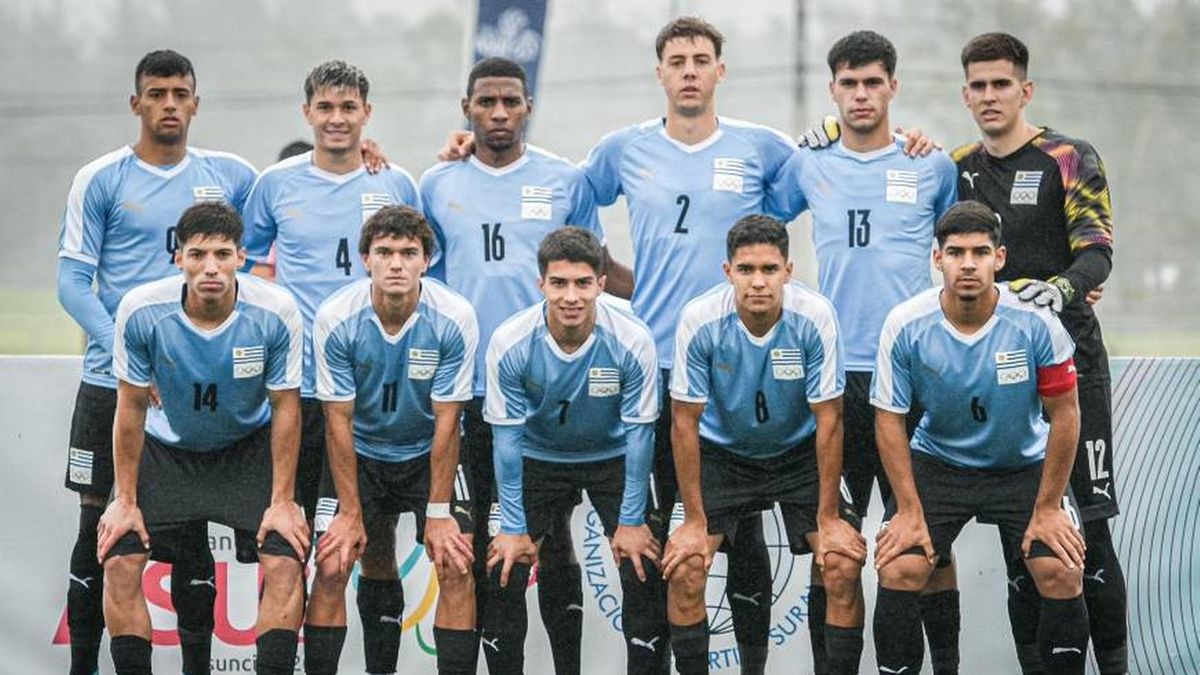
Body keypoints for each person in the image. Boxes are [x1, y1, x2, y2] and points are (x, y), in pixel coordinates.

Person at [55, 49, 258, 675]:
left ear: (196, 102)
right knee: (103, 525)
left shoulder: (231, 176)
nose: (169, 104)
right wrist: (135, 361)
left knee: (195, 529)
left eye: (180, 93)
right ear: (136, 102)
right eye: (156, 93)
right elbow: (72, 283)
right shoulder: (102, 178)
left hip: (198, 386)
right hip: (111, 385)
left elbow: (287, 216)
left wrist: (366, 157)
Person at [419, 56, 618, 674]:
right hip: (470, 393)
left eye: (511, 102)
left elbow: (593, 276)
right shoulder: (436, 183)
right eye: (487, 103)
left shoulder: (566, 181)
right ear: (467, 109)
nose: (499, 113)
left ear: (529, 106)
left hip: (550, 390)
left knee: (553, 541)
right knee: (489, 548)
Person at [779, 30, 961, 673]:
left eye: (872, 82)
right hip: (834, 381)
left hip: (911, 376)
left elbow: (960, 242)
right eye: (849, 84)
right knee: (833, 547)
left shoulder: (931, 165)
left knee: (924, 541)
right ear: (834, 90)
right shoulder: (810, 164)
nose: (861, 94)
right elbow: (764, 218)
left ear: (893, 86)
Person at [951, 33, 1125, 674]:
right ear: (965, 94)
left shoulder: (1068, 156)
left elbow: (1097, 251)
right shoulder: (956, 166)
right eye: (978, 85)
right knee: (1020, 538)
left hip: (1073, 367)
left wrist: (1060, 288)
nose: (990, 96)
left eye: (1002, 84)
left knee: (1091, 533)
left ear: (1025, 90)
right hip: (1000, 377)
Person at [870, 200, 1090, 675]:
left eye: (980, 252)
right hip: (940, 463)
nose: (967, 264)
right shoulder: (905, 324)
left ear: (1000, 258)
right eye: (955, 253)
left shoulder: (1036, 321)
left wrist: (1049, 507)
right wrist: (908, 511)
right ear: (937, 259)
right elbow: (889, 420)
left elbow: (1065, 414)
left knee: (1061, 570)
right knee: (900, 568)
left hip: (1024, 466)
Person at [95, 202, 308, 675]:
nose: (210, 267)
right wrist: (125, 498)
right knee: (119, 561)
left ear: (241, 257)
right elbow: (129, 408)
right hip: (166, 451)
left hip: (245, 450)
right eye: (197, 255)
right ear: (179, 259)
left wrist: (283, 500)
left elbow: (286, 407)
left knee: (286, 561)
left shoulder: (276, 310)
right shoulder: (142, 310)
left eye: (222, 254)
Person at [662, 215, 865, 675]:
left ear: (789, 271)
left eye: (769, 270)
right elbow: (683, 422)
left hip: (799, 456)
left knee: (841, 563)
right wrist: (694, 520)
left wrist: (829, 518)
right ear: (727, 271)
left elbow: (830, 419)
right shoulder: (699, 319)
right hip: (723, 456)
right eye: (747, 270)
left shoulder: (815, 316)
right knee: (686, 566)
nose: (758, 282)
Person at [242, 60, 422, 543]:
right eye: (325, 107)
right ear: (307, 112)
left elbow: (426, 269)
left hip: (376, 377)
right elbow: (243, 264)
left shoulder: (395, 184)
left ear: (367, 112)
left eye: (348, 107)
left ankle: (373, 619)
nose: (336, 118)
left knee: (372, 527)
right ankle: (287, 620)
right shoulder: (276, 183)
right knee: (291, 528)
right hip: (302, 381)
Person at [482, 227, 666, 674]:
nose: (571, 296)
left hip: (613, 457)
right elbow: (506, 439)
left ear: (602, 283)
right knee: (503, 566)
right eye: (559, 283)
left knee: (642, 563)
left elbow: (641, 434)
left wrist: (631, 521)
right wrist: (511, 527)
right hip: (538, 457)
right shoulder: (510, 342)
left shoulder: (632, 339)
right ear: (541, 284)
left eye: (583, 283)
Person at [304, 206, 480, 675]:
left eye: (409, 252)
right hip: (360, 452)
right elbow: (337, 419)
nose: (396, 263)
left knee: (456, 562)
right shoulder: (336, 317)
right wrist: (350, 511)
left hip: (427, 453)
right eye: (384, 252)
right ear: (365, 259)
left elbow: (448, 421)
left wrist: (439, 514)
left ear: (427, 261)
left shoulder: (455, 316)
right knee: (335, 562)